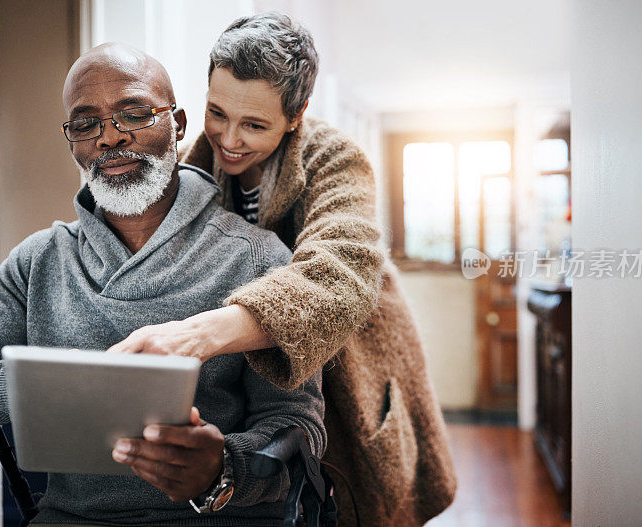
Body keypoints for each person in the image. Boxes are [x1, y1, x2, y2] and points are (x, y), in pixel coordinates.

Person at [0, 43, 326, 527]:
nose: (108, 138)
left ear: (179, 126)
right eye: (85, 123)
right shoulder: (40, 259)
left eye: (134, 113)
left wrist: (223, 469)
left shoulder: (257, 256)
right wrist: (53, 387)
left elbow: (300, 427)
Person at [107, 13, 457, 526]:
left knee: (362, 506)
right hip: (262, 396)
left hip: (351, 369)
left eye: (254, 125)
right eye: (216, 112)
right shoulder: (192, 167)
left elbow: (341, 272)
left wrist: (198, 335)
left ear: (296, 116)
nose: (229, 138)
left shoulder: (336, 160)